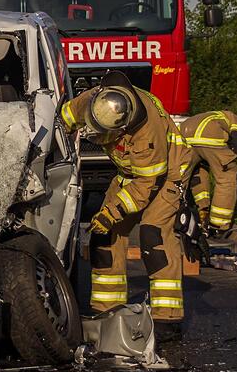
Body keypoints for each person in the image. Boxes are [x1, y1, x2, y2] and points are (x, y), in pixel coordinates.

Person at [60, 71, 192, 339]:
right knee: (103, 235)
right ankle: (107, 309)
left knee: (153, 235)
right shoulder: (95, 102)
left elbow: (146, 184)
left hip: (166, 175)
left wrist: (112, 211)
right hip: (130, 174)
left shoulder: (146, 132)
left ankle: (167, 318)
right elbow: (61, 120)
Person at [181, 110, 237, 235]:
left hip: (185, 133)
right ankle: (218, 225)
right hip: (209, 134)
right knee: (226, 178)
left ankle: (185, 213)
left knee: (187, 176)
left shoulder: (216, 115)